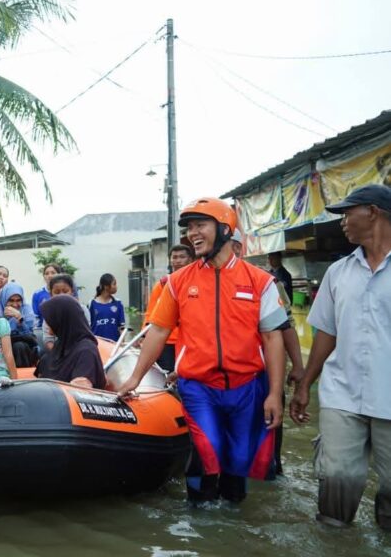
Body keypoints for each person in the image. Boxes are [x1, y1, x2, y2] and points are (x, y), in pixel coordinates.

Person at [117, 197, 287, 504]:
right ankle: (200, 517)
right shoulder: (177, 282)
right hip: (198, 386)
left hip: (247, 387)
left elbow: (274, 339)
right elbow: (158, 331)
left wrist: (274, 393)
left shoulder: (261, 282)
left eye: (200, 225)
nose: (192, 233)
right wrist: (134, 378)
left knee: (237, 463)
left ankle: (230, 527)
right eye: (189, 228)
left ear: (224, 228)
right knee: (207, 452)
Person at [290, 184, 391, 531]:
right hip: (342, 395)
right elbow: (326, 335)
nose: (343, 222)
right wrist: (305, 385)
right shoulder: (338, 273)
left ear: (373, 212)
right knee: (335, 481)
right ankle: (335, 544)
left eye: (348, 213)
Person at [230, 229, 305, 477]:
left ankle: (271, 474)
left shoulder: (265, 283)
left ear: (238, 249)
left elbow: (286, 328)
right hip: (225, 382)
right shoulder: (203, 284)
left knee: (269, 440)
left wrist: (297, 366)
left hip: (262, 375)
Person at [36, 295, 106, 389]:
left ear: (62, 319)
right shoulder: (60, 346)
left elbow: (81, 391)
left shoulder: (86, 351)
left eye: (51, 318)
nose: (47, 323)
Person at [144, 244, 194, 372]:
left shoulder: (197, 282)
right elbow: (150, 314)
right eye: (174, 257)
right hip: (166, 342)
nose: (177, 261)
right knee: (165, 378)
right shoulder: (162, 284)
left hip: (190, 342)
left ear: (190, 259)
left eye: (182, 257)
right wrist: (144, 337)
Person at [42, 274, 90, 351]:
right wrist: (59, 355)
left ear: (72, 292)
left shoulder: (82, 310)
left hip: (80, 349)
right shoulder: (50, 313)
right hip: (57, 351)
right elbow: (48, 340)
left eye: (65, 291)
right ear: (51, 294)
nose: (61, 295)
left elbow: (87, 334)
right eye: (57, 292)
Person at [0, 282, 39, 367]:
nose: (15, 304)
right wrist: (5, 319)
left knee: (19, 346)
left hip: (24, 345)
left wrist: (20, 319)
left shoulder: (26, 309)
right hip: (2, 344)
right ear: (4, 299)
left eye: (18, 300)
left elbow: (30, 335)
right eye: (11, 300)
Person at [89, 273, 125, 341]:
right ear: (106, 286)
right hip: (97, 345)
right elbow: (88, 327)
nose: (116, 286)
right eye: (114, 284)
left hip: (113, 345)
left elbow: (121, 328)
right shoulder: (92, 303)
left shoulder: (118, 303)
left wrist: (122, 345)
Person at [32, 263, 62, 329]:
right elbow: (35, 317)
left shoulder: (65, 292)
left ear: (59, 275)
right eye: (47, 273)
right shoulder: (37, 294)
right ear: (44, 276)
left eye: (53, 273)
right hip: (43, 331)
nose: (50, 276)